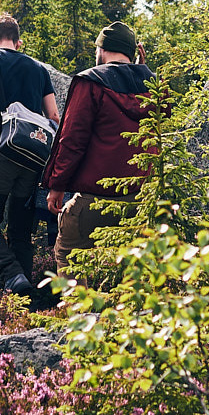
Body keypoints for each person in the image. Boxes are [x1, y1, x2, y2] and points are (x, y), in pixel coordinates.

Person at [0, 13, 59, 296]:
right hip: (31, 159)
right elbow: (54, 117)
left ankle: (12, 275)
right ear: (19, 43)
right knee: (20, 232)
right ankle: (26, 298)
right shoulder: (39, 69)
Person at [45, 21, 152, 266]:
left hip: (96, 198)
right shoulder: (153, 86)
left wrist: (57, 185)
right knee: (132, 267)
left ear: (102, 49)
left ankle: (77, 295)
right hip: (141, 199)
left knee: (67, 253)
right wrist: (142, 71)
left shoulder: (90, 82)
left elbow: (72, 140)